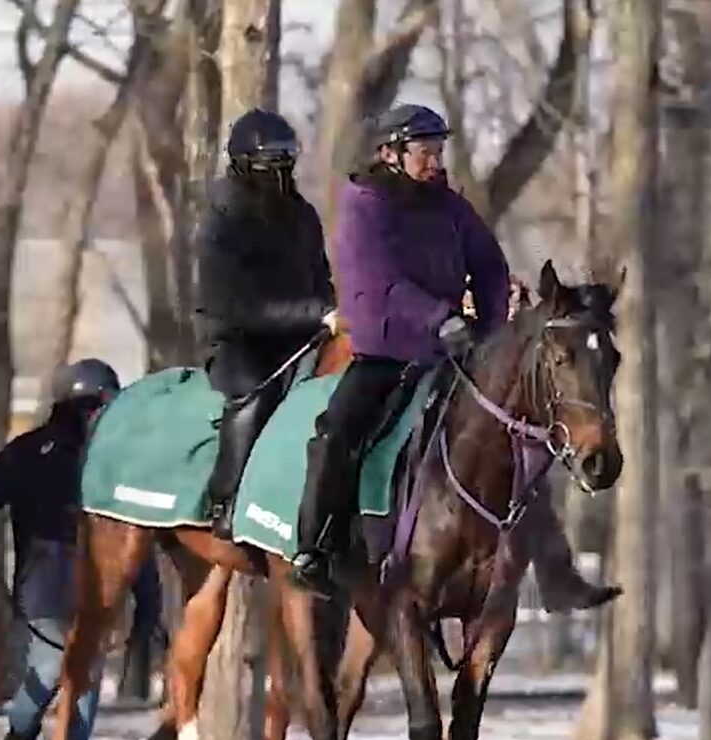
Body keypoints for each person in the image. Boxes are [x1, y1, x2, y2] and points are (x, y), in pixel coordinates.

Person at [288, 104, 615, 611]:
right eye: (426, 152)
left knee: (520, 444)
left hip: (452, 353)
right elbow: (381, 284)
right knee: (337, 431)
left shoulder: (449, 206)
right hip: (387, 352)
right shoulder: (364, 207)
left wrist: (491, 333)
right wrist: (438, 316)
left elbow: (488, 265)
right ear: (390, 154)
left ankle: (557, 573)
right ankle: (315, 546)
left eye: (439, 151)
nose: (436, 162)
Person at [0, 358, 165, 740]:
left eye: (108, 406)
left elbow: (136, 539)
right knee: (49, 668)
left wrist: (147, 606)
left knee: (87, 680)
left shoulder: (121, 463)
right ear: (70, 406)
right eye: (93, 406)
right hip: (43, 589)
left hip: (98, 595)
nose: (101, 416)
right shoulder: (31, 452)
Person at [194, 108, 339, 541]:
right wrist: (314, 313)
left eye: (286, 161)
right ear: (243, 164)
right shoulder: (220, 224)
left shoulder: (303, 216)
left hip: (305, 336)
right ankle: (226, 499)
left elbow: (321, 278)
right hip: (240, 340)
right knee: (254, 397)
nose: (279, 173)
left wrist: (333, 311)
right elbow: (236, 305)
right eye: (268, 164)